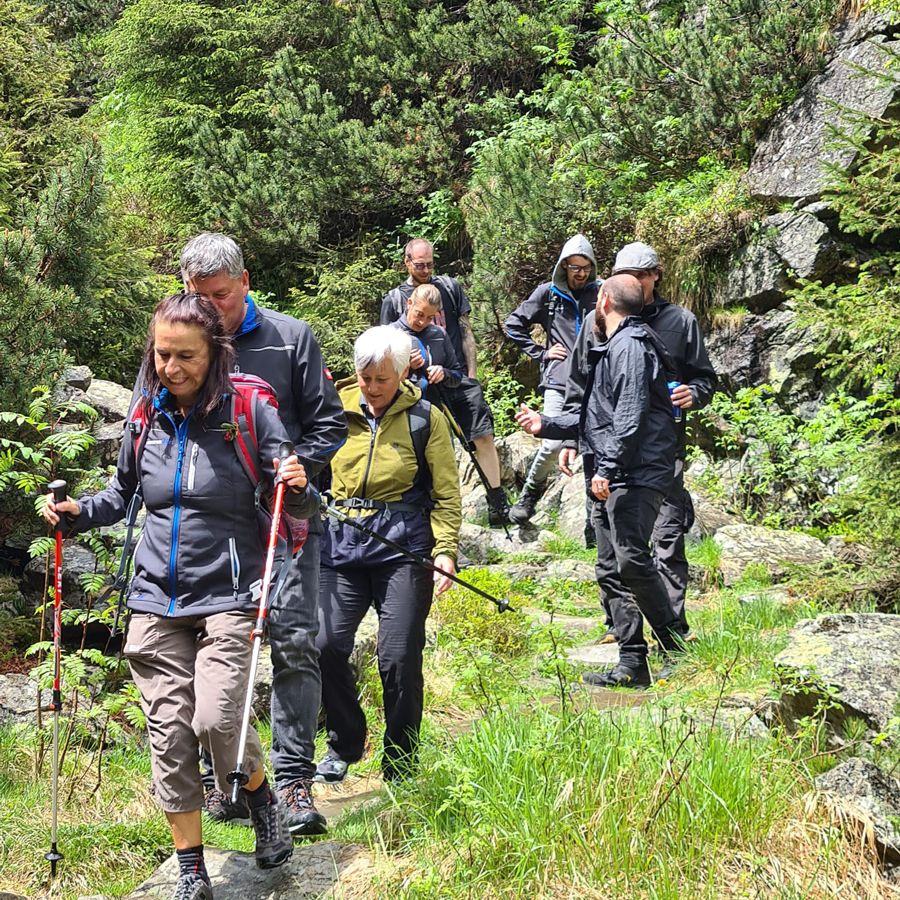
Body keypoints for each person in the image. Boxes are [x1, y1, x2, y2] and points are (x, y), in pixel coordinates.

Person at [42, 293, 313, 900]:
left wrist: (296, 485)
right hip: (153, 598)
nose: (171, 368)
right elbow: (122, 496)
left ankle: (259, 795)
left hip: (230, 590)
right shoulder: (145, 415)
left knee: (219, 717)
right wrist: (77, 512)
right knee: (170, 735)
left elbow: (287, 493)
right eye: (162, 355)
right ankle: (190, 867)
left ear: (214, 352)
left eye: (185, 356)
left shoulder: (247, 408)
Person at [179, 233, 347, 835]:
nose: (208, 310)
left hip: (288, 519)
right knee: (216, 650)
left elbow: (330, 422)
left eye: (219, 297)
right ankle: (227, 777)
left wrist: (300, 463)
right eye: (197, 298)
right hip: (213, 531)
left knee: (296, 642)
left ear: (245, 283)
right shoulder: (183, 342)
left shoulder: (290, 337)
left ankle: (296, 782)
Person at [516, 275, 686, 687]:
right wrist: (547, 424)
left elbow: (629, 414)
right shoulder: (609, 345)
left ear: (604, 300)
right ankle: (631, 663)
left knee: (630, 559)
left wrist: (607, 469)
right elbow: (595, 416)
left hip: (638, 470)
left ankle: (676, 643)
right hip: (613, 466)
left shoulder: (630, 346)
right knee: (610, 567)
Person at [314, 326, 461, 784]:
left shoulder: (425, 418)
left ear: (401, 373)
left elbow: (446, 492)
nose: (371, 388)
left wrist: (446, 551)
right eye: (364, 377)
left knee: (398, 657)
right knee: (324, 645)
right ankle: (346, 741)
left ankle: (401, 759)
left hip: (404, 548)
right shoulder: (334, 410)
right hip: (340, 545)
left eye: (381, 378)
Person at [557, 241, 716, 639]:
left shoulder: (680, 322)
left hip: (657, 451)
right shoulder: (600, 319)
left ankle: (673, 630)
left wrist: (693, 394)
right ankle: (623, 630)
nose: (634, 281)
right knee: (610, 544)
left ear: (655, 276)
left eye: (641, 275)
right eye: (624, 275)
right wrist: (570, 438)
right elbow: (579, 383)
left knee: (666, 536)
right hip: (603, 450)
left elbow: (705, 378)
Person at [380, 238, 508, 526]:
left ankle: (497, 500)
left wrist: (471, 376)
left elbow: (464, 331)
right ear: (407, 262)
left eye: (429, 264)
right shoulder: (394, 299)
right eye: (419, 264)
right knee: (433, 447)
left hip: (454, 374)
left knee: (482, 434)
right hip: (417, 386)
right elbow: (383, 347)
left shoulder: (449, 288)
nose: (425, 269)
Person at [504, 234, 599, 525]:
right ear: (564, 266)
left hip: (595, 378)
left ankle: (593, 524)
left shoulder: (602, 292)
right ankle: (529, 494)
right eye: (574, 267)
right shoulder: (548, 294)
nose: (580, 273)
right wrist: (541, 353)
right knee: (552, 443)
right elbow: (513, 324)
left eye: (586, 267)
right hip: (559, 378)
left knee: (595, 449)